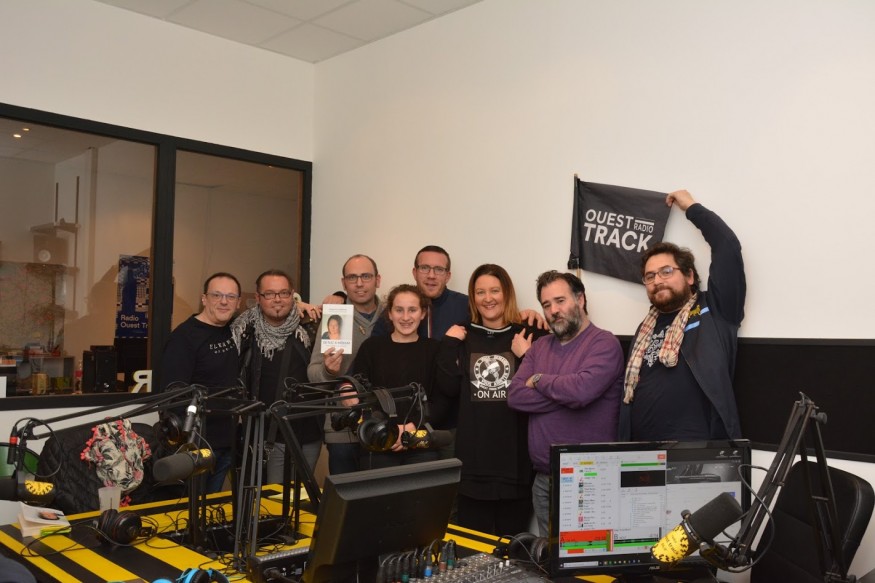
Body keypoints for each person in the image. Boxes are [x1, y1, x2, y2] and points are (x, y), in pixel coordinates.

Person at [619, 190, 745, 441]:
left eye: (666, 271)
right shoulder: (646, 326)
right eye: (650, 276)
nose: (657, 280)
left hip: (699, 452)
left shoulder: (716, 310)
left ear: (689, 276)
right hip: (644, 452)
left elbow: (727, 248)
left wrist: (692, 208)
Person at [507, 270, 624, 537]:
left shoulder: (604, 343)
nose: (553, 311)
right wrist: (567, 395)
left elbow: (581, 392)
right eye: (546, 304)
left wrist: (539, 379)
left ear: (580, 299)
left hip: (589, 479)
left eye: (560, 301)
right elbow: (515, 396)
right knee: (548, 558)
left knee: (589, 557)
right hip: (544, 480)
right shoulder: (539, 347)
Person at [435, 264, 547, 535]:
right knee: (474, 550)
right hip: (473, 466)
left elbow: (546, 390)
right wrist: (448, 345)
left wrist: (527, 355)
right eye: (480, 292)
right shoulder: (460, 335)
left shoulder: (529, 334)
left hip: (517, 466)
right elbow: (448, 388)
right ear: (473, 297)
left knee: (513, 548)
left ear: (506, 293)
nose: (488, 298)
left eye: (495, 290)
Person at [233, 269, 322, 485]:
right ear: (258, 297)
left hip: (309, 430)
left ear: (293, 296)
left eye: (283, 293)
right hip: (268, 433)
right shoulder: (244, 331)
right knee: (274, 496)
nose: (277, 299)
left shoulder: (310, 326)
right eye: (270, 294)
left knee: (303, 494)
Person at [160, 272, 242, 494]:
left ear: (238, 303)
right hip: (196, 446)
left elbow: (271, 311)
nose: (223, 301)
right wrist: (185, 443)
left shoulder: (235, 330)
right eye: (217, 295)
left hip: (227, 441)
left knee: (212, 506)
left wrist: (299, 304)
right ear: (204, 299)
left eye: (230, 296)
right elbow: (171, 396)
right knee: (191, 507)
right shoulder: (184, 338)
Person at [350, 284, 440, 469]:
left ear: (423, 313)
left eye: (412, 310)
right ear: (390, 314)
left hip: (421, 444)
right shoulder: (371, 348)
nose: (405, 317)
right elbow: (361, 396)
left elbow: (441, 399)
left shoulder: (435, 349)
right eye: (399, 310)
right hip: (379, 443)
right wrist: (389, 429)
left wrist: (412, 426)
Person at [308, 254, 383, 475]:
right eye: (352, 277)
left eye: (366, 276)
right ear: (343, 283)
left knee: (379, 491)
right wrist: (328, 371)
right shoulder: (334, 316)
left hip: (382, 423)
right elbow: (313, 373)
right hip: (342, 427)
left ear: (378, 280)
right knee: (345, 492)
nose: (359, 283)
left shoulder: (392, 315)